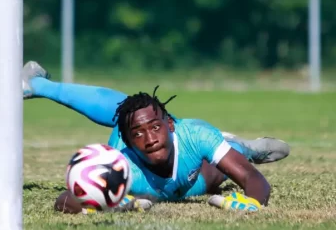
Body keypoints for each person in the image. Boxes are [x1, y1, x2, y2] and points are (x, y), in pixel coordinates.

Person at [22, 61, 290, 214]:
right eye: (137, 134)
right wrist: (101, 201)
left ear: (170, 125)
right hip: (165, 171)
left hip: (192, 167)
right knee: (129, 111)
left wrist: (253, 202)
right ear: (126, 141)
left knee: (219, 173)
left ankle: (242, 147)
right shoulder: (120, 164)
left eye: (155, 127)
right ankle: (35, 85)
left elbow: (252, 179)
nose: (149, 138)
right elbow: (66, 199)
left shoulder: (194, 134)